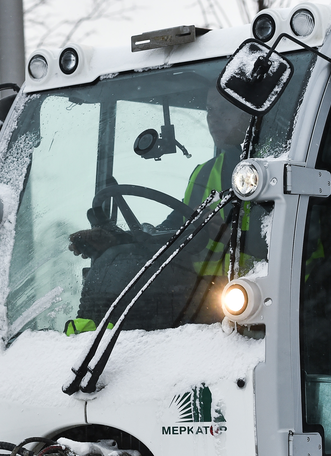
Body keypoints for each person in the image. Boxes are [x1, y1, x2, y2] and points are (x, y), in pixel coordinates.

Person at [67, 88, 251, 333]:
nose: (213, 118)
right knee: (120, 270)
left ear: (251, 112)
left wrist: (233, 237)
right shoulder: (205, 173)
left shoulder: (275, 167)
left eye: (225, 109)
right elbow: (168, 231)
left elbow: (301, 241)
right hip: (205, 300)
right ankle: (85, 342)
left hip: (262, 298)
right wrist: (116, 240)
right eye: (210, 110)